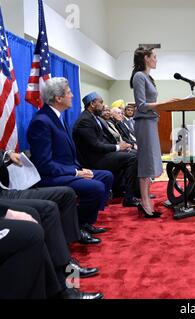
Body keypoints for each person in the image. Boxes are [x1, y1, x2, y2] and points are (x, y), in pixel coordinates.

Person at [26, 78, 113, 240]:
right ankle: (76, 227)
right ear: (58, 98)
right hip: (50, 176)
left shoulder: (58, 117)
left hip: (66, 171)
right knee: (96, 187)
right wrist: (76, 173)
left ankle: (85, 221)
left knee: (106, 176)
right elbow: (44, 164)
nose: (72, 95)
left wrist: (78, 170)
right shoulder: (41, 121)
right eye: (68, 92)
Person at [130, 46, 179, 218]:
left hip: (150, 122)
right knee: (145, 163)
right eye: (154, 56)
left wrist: (164, 105)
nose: (156, 59)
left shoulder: (148, 77)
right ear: (146, 58)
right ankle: (145, 203)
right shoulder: (139, 76)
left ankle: (146, 201)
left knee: (150, 162)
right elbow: (141, 105)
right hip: (143, 123)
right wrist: (164, 104)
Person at [73, 92, 140, 204]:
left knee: (132, 154)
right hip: (93, 159)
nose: (103, 106)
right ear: (92, 104)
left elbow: (104, 141)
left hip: (100, 155)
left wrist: (121, 147)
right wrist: (118, 147)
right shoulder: (85, 120)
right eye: (101, 102)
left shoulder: (94, 118)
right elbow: (95, 145)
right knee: (132, 158)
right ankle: (129, 197)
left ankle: (122, 191)